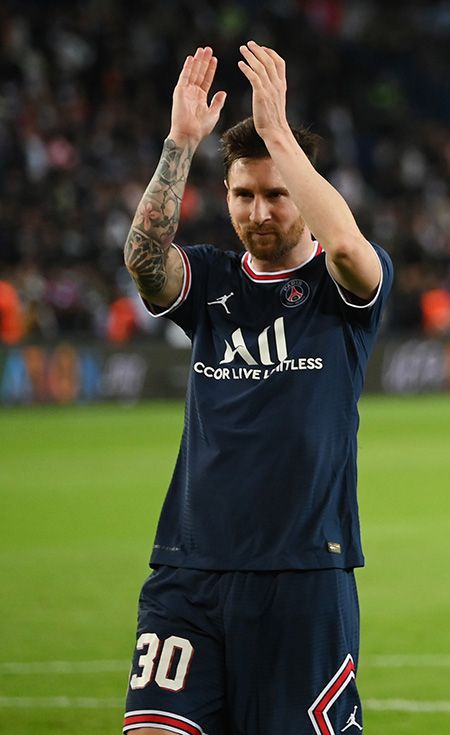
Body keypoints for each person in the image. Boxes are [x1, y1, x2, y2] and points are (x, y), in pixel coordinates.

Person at [121, 43, 392, 735]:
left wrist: (278, 135)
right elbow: (145, 263)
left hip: (302, 572)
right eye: (244, 195)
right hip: (189, 566)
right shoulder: (211, 281)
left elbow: (349, 251)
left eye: (277, 194)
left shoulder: (341, 289)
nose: (260, 212)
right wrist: (180, 143)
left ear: (303, 192)